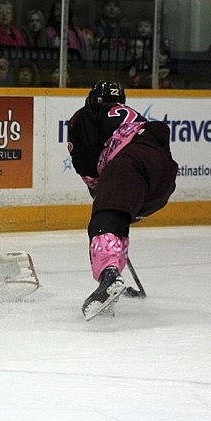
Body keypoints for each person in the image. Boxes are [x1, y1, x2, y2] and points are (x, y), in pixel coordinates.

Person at [66, 81, 178, 320]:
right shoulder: (132, 118)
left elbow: (84, 158)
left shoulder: (87, 114)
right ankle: (112, 271)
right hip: (163, 177)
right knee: (116, 220)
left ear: (93, 99)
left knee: (103, 222)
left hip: (130, 162)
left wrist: (98, 189)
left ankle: (108, 277)